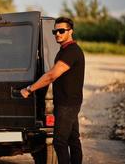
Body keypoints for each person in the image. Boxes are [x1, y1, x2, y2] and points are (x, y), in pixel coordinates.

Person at [20, 17, 85, 164]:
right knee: (73, 139)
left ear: (71, 31)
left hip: (67, 104)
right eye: (55, 31)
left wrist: (29, 89)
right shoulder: (63, 50)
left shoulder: (72, 51)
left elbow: (51, 75)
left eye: (62, 31)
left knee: (59, 141)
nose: (57, 34)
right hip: (69, 102)